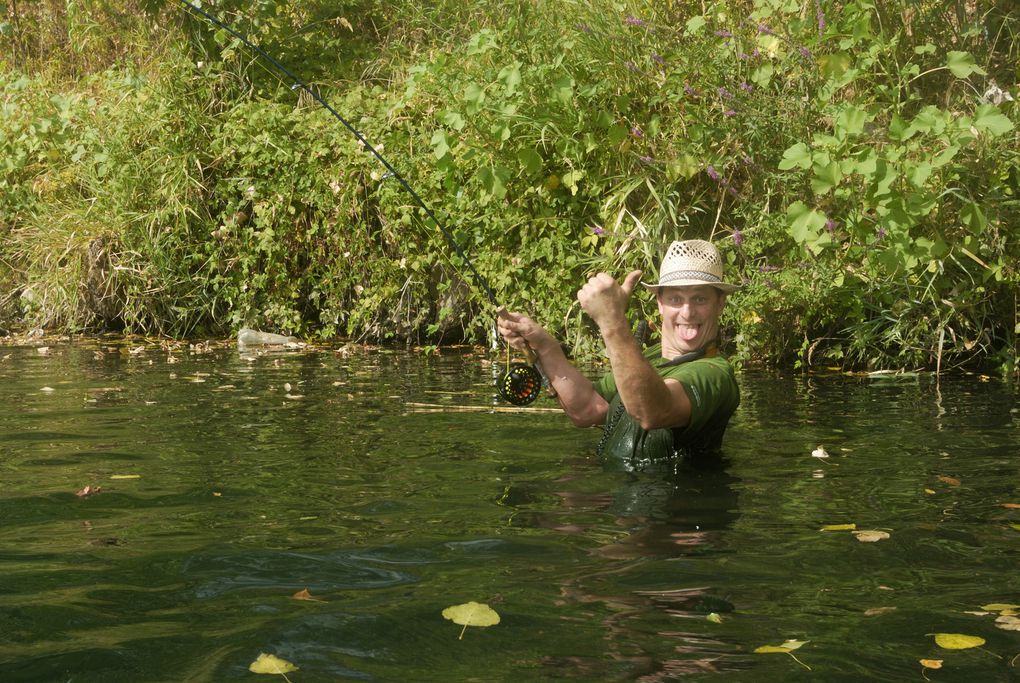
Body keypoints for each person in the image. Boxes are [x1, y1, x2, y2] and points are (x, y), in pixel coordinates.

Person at [497, 239, 740, 464]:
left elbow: (653, 412)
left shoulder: (716, 374)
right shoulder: (648, 357)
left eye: (699, 299)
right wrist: (545, 346)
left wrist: (612, 321)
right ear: (660, 303)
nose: (687, 312)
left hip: (668, 504)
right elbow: (589, 409)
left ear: (720, 304)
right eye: (676, 299)